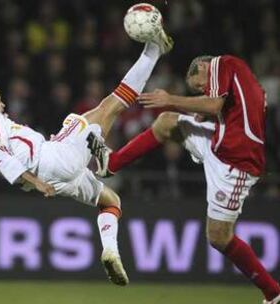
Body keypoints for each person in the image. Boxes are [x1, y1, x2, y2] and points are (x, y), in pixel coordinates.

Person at [0, 29, 173, 286]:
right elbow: (3, 157)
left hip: (55, 177)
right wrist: (35, 180)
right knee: (107, 107)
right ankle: (153, 51)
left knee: (110, 201)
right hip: (49, 162)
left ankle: (111, 251)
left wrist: (29, 179)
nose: (2, 105)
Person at [88, 55, 280, 303]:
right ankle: (111, 164)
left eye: (199, 86)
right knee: (166, 122)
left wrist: (172, 99)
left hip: (235, 163)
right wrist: (200, 111)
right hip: (220, 142)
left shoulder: (222, 64)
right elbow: (227, 109)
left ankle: (273, 293)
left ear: (202, 67)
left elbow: (214, 105)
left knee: (219, 236)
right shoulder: (243, 79)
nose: (202, 90)